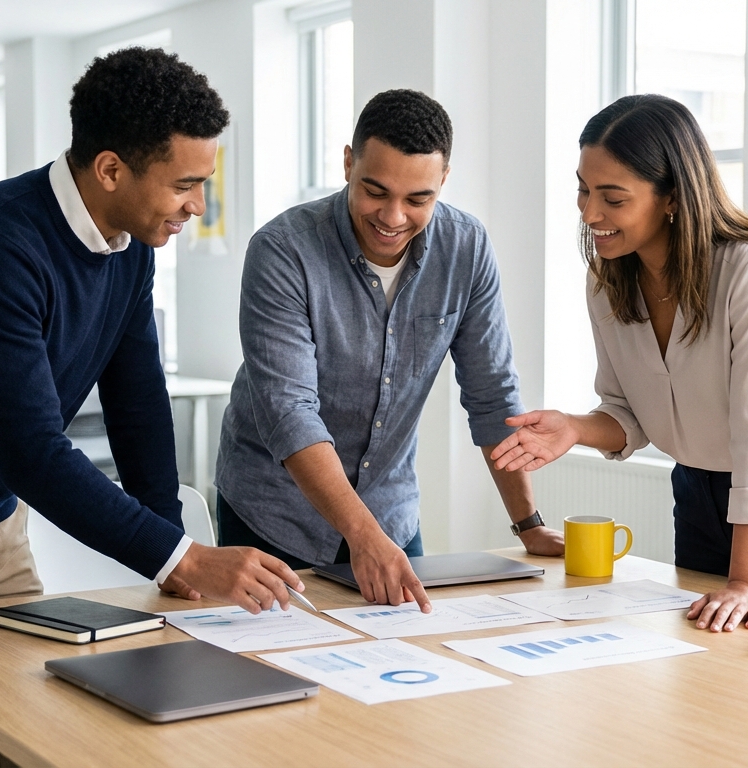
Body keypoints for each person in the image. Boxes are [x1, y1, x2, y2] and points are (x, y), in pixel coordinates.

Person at [0, 48, 302, 768]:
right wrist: (184, 554)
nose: (199, 205)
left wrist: (173, 562)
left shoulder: (129, 245)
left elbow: (138, 402)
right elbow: (32, 450)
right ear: (109, 170)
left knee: (27, 728)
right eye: (186, 185)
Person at [491, 94, 748, 632]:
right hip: (699, 490)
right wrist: (575, 428)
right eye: (582, 189)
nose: (589, 213)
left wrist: (745, 581)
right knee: (707, 675)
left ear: (671, 196)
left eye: (612, 198)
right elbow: (628, 412)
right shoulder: (606, 280)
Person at [215, 89, 564, 611]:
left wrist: (528, 526)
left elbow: (493, 394)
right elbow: (290, 413)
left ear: (443, 180)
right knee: (282, 676)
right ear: (349, 161)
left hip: (390, 514)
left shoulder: (465, 248)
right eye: (374, 191)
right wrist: (362, 535)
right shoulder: (283, 250)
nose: (393, 217)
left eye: (418, 199)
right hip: (273, 515)